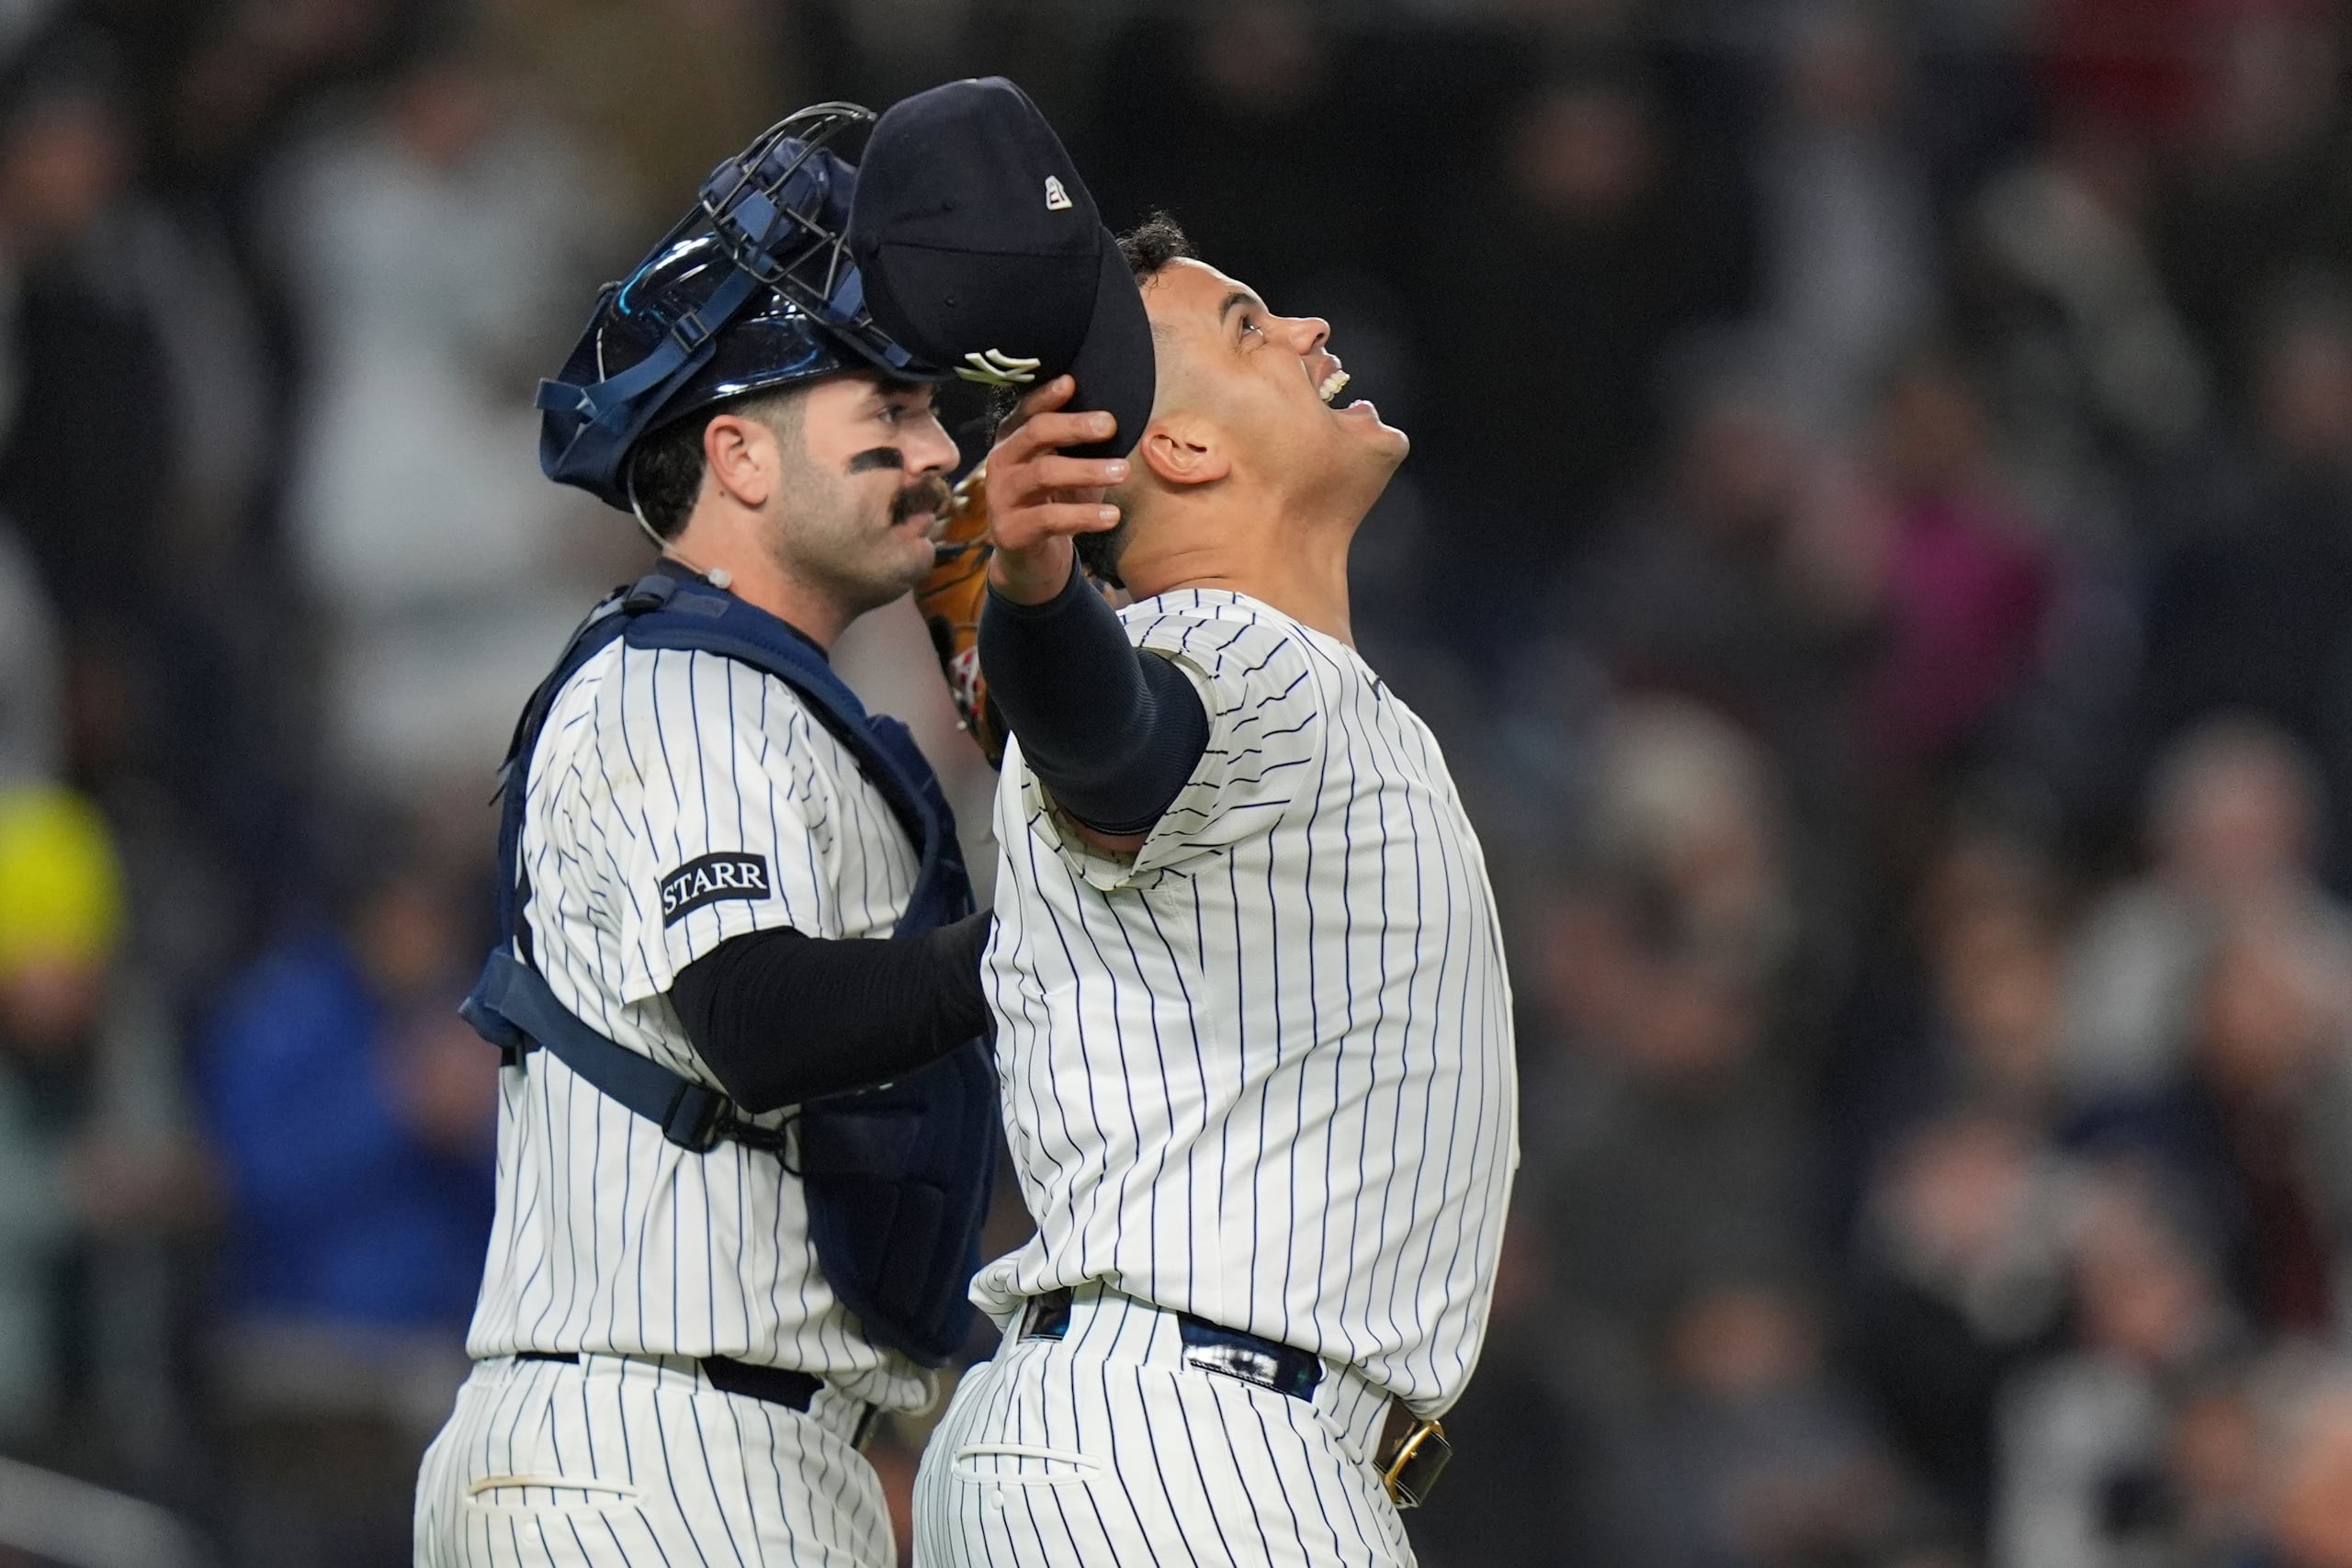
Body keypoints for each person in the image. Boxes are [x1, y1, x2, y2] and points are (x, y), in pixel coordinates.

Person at [412, 106, 1000, 1568]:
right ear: (735, 455)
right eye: (891, 417)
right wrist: (1058, 937)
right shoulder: (679, 688)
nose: (937, 455)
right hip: (650, 1454)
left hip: (736, 1451)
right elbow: (761, 1014)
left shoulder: (765, 697)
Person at [910, 213, 1520, 1565]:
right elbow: (1118, 741)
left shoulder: (1290, 677)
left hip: (1139, 1438)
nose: (1308, 330)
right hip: (1196, 1453)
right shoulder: (1221, 646)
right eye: (1247, 325)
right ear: (1179, 449)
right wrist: (1032, 592)